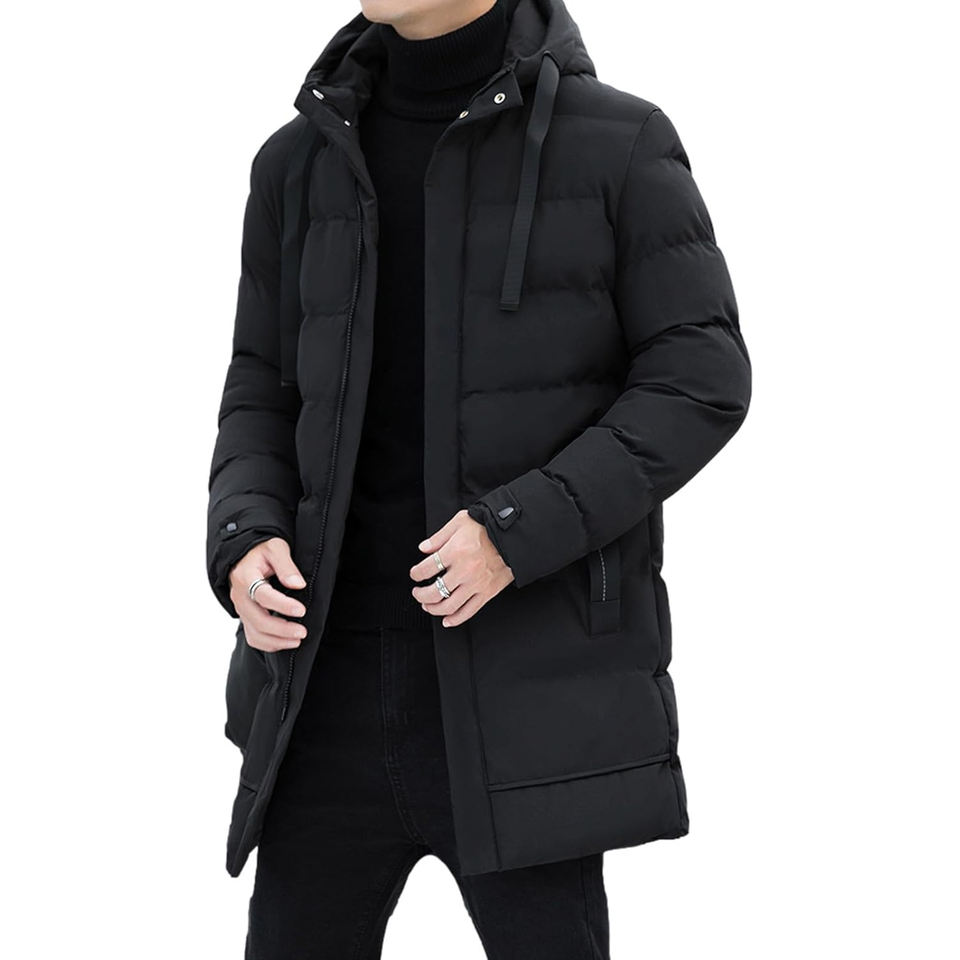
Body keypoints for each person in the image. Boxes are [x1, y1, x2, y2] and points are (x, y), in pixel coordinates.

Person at [205, 0, 751, 955]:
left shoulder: (618, 144)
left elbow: (700, 379)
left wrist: (515, 529)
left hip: (521, 691)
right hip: (319, 695)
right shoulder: (297, 161)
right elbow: (261, 385)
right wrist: (244, 537)